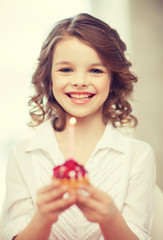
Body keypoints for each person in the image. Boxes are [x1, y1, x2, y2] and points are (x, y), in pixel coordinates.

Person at [1, 13, 155, 240]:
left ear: (113, 79)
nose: (80, 81)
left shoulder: (138, 156)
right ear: (48, 77)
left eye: (95, 70)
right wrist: (42, 219)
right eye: (66, 69)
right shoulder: (22, 155)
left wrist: (111, 218)